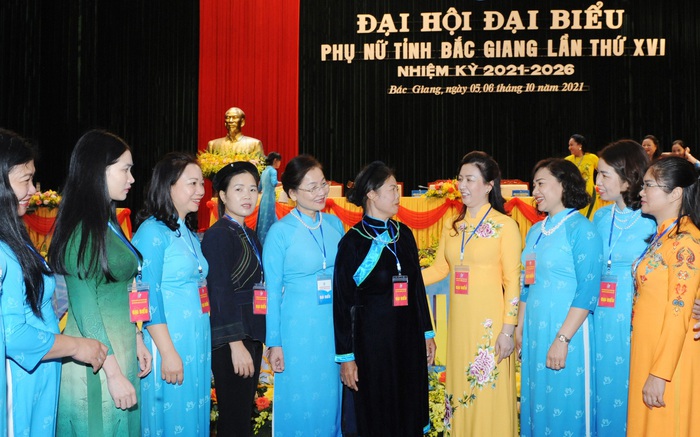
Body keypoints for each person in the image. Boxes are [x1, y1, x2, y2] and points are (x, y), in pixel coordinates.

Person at [0, 128, 107, 436]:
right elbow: (12, 335)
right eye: (25, 180)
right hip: (17, 383)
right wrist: (77, 346)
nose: (33, 190)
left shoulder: (16, 235)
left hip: (38, 376)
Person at [50, 130, 152, 436]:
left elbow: (121, 290)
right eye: (125, 169)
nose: (132, 178)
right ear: (98, 170)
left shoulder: (107, 222)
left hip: (120, 350)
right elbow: (86, 310)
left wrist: (137, 338)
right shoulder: (81, 230)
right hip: (98, 362)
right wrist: (113, 373)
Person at [421, 152, 520, 437]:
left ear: (489, 185)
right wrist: (398, 279)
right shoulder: (453, 225)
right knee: (460, 393)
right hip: (460, 327)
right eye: (460, 179)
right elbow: (440, 268)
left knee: (488, 395)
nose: (462, 185)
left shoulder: (505, 226)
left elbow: (513, 281)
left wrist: (507, 330)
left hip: (491, 328)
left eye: (470, 179)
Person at [334, 161, 436, 436]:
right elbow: (342, 304)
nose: (397, 195)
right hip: (372, 344)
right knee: (378, 410)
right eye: (391, 189)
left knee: (408, 406)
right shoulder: (353, 242)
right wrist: (346, 357)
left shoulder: (404, 235)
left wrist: (427, 333)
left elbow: (416, 288)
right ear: (371, 194)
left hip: (408, 339)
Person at [516, 158, 603, 437]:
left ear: (564, 184)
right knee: (538, 403)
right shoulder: (535, 231)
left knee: (565, 406)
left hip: (568, 333)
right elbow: (527, 283)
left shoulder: (582, 229)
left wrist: (562, 339)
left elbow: (588, 291)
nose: (535, 191)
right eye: (533, 185)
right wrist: (519, 327)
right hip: (535, 332)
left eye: (541, 183)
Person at [263, 155, 345, 436]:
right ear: (292, 193)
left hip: (331, 327)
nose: (321, 192)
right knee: (299, 398)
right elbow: (272, 292)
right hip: (296, 330)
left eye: (323, 184)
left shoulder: (335, 225)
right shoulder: (279, 233)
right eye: (312, 187)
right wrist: (274, 342)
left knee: (330, 399)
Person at [133, 152, 211, 436]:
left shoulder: (186, 230)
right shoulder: (152, 232)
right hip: (169, 342)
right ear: (168, 186)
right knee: (173, 418)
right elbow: (145, 296)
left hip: (195, 341)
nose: (201, 191)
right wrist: (167, 352)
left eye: (202, 183)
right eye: (192, 183)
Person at [627, 156, 700, 436]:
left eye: (649, 185)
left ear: (676, 193)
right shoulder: (664, 237)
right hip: (650, 349)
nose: (641, 192)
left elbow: (678, 311)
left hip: (670, 360)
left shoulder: (686, 243)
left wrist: (660, 372)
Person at [591, 140, 655, 436]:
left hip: (633, 318)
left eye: (605, 174)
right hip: (598, 316)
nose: (597, 181)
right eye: (597, 173)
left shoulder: (651, 219)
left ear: (628, 178)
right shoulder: (600, 216)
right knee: (600, 387)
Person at [202, 161, 266, 436]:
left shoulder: (247, 233)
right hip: (233, 339)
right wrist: (235, 344)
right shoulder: (218, 235)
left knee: (241, 415)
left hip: (250, 332)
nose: (247, 196)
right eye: (239, 189)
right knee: (234, 418)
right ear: (223, 196)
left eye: (252, 189)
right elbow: (219, 292)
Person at [565, 134, 599, 218]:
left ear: (579, 145)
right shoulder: (567, 160)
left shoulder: (592, 158)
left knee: (589, 218)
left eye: (571, 145)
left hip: (589, 195)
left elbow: (603, 171)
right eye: (569, 145)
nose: (569, 148)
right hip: (573, 196)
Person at [256, 152, 281, 244]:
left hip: (263, 200)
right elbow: (274, 183)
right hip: (270, 199)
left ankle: (260, 240)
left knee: (263, 221)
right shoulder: (273, 171)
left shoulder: (264, 171)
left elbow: (259, 188)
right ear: (275, 160)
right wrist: (283, 183)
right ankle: (270, 241)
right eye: (279, 161)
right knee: (270, 219)